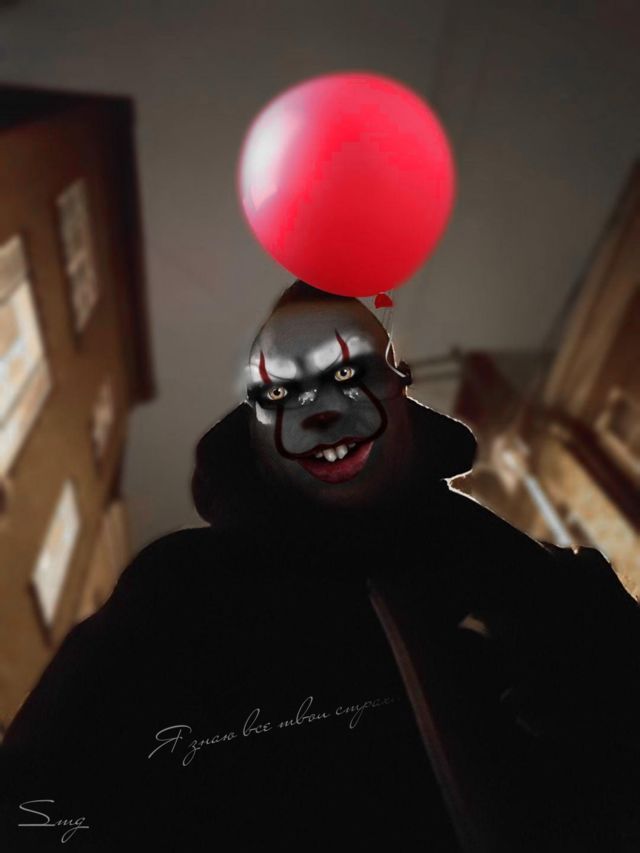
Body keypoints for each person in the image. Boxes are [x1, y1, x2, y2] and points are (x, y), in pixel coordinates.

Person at [1, 280, 639, 852]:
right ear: (252, 426)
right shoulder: (183, 589)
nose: (320, 410)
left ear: (400, 385)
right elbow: (38, 797)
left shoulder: (510, 566)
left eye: (349, 371)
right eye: (279, 390)